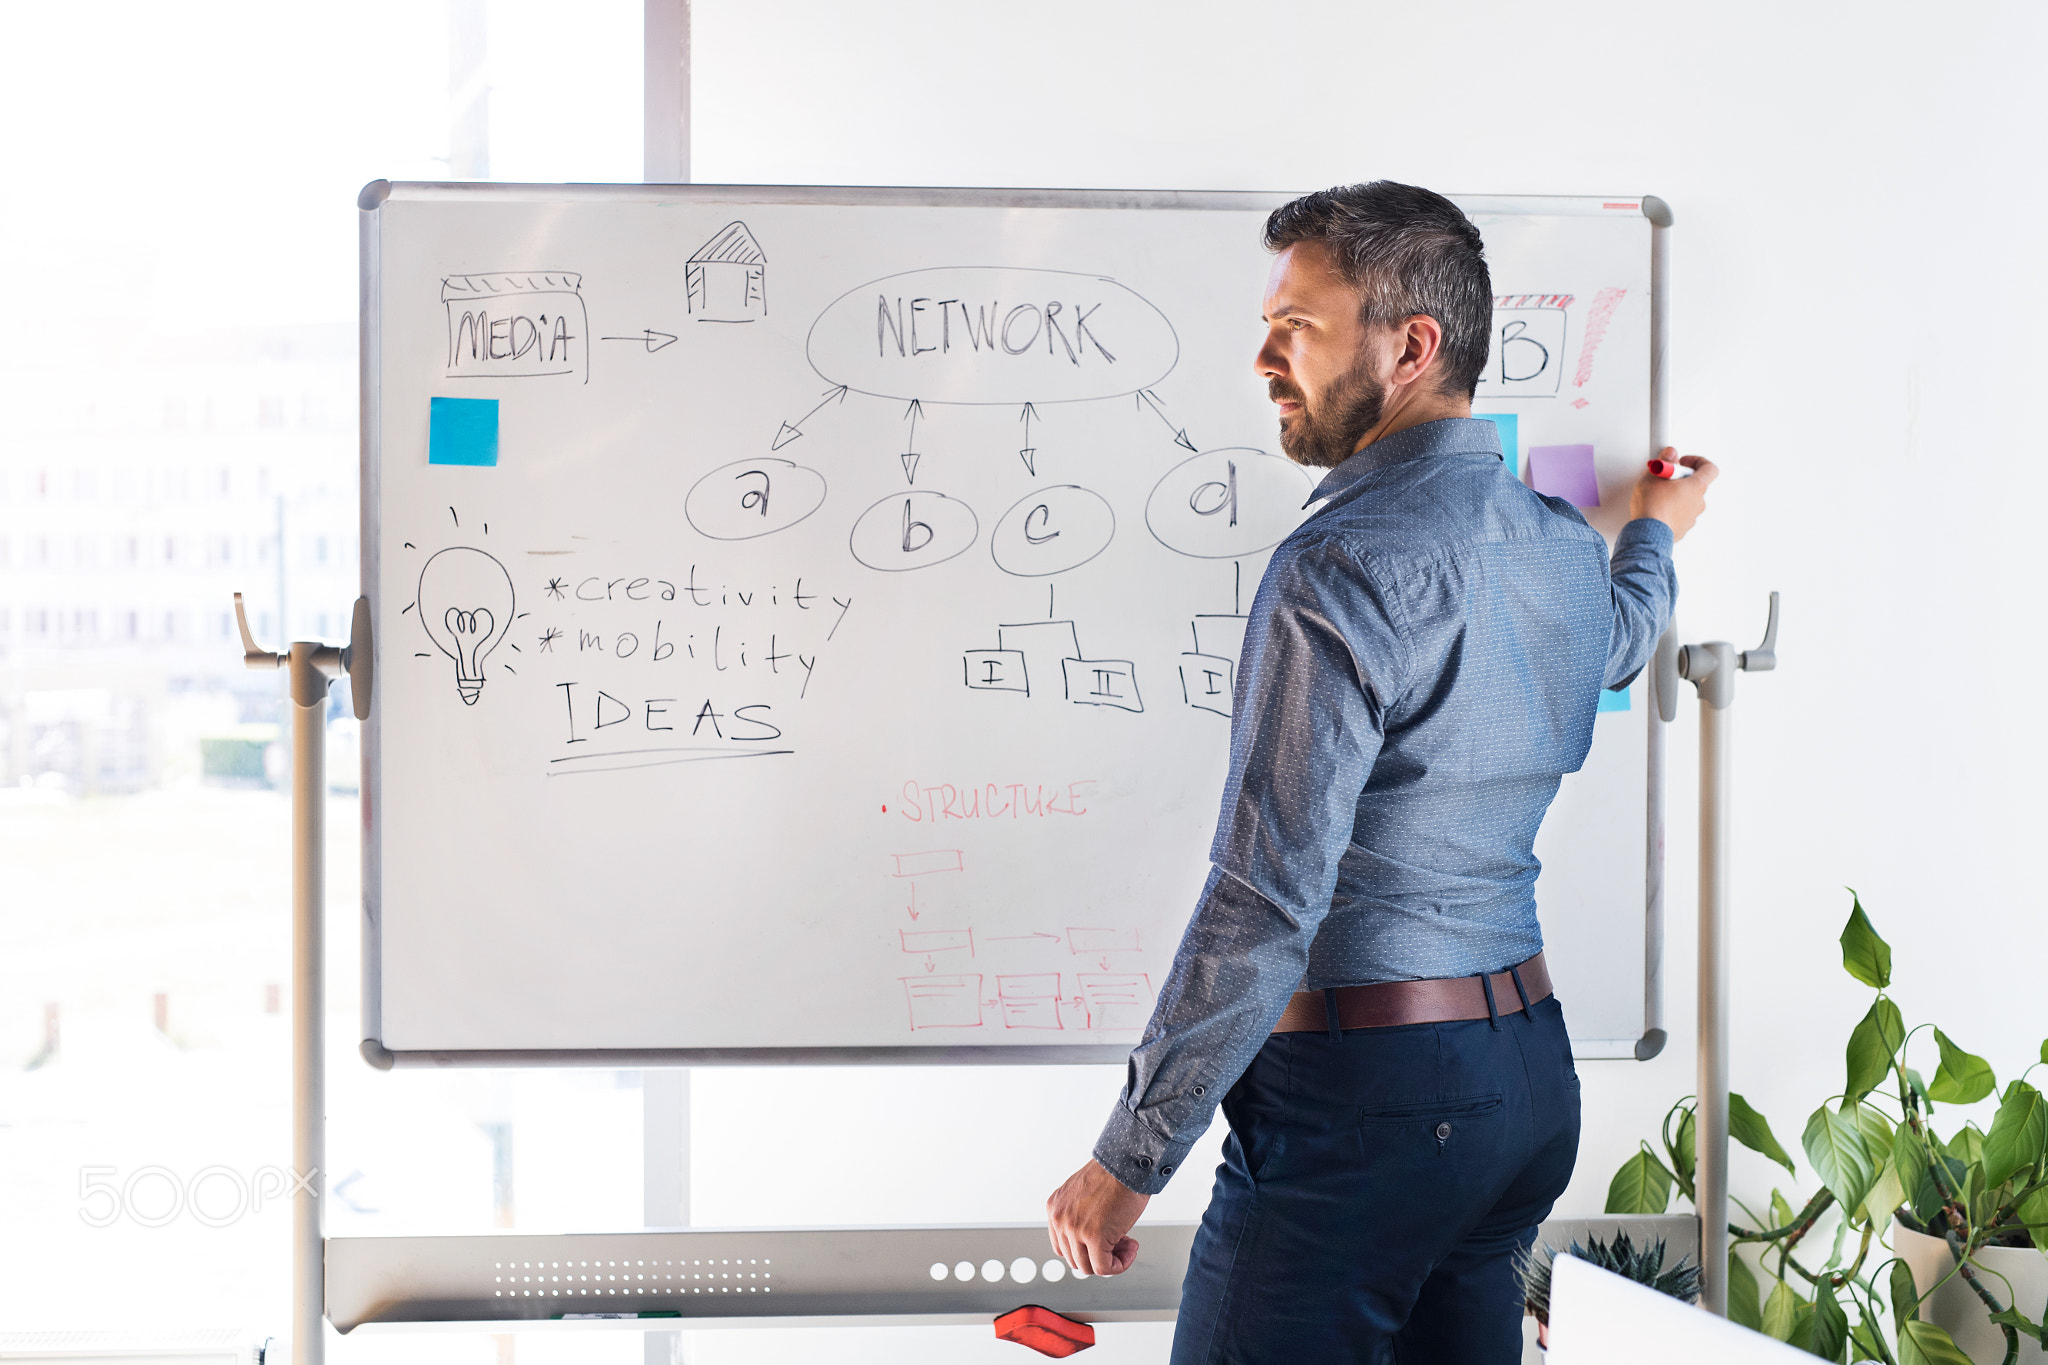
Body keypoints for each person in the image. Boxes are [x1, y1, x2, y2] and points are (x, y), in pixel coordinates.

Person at [1044, 181, 1715, 1362]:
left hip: (1369, 1104)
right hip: (1521, 1090)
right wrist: (1656, 527)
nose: (1261, 355)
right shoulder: (1559, 544)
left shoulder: (1337, 567)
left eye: (1295, 325)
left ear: (1410, 347)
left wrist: (1130, 1154)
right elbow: (1620, 629)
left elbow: (1264, 897)